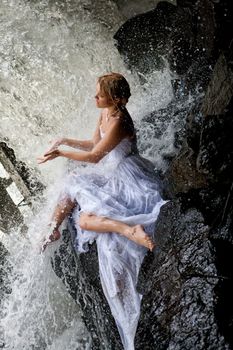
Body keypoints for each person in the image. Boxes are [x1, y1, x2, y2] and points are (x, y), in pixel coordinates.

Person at [37, 72, 166, 349]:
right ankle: (54, 230)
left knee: (82, 207)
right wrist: (64, 141)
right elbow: (92, 145)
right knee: (83, 215)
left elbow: (95, 156)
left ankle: (127, 228)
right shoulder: (105, 113)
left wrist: (61, 154)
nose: (95, 97)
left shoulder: (120, 120)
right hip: (113, 174)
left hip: (131, 178)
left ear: (113, 97)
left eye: (99, 94)